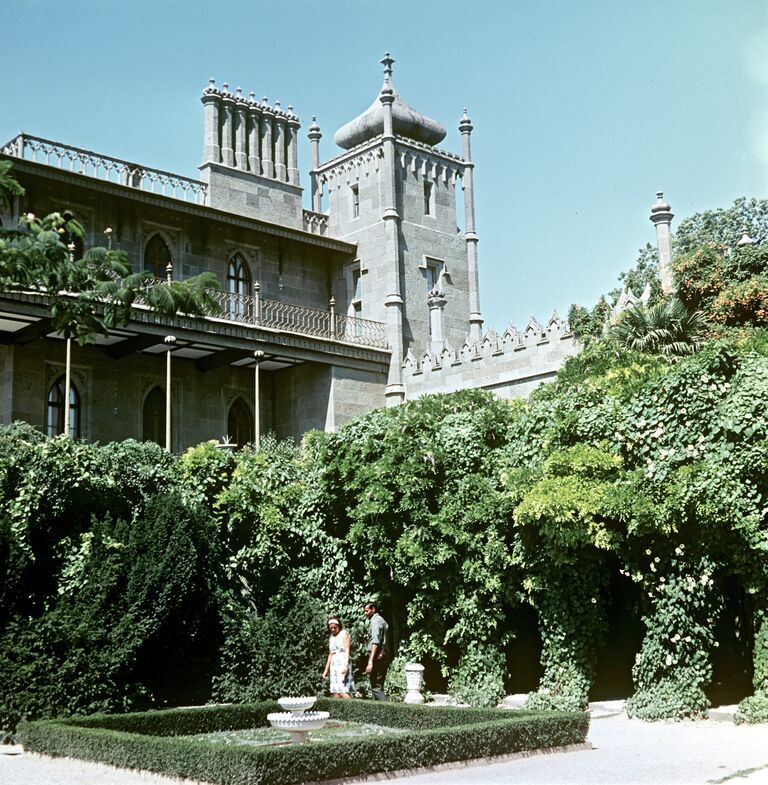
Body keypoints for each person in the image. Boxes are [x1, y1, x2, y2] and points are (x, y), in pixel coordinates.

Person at [363, 601, 390, 701]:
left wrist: (370, 662)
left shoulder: (376, 621)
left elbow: (375, 642)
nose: (365, 613)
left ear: (373, 609)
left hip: (378, 657)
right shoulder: (379, 620)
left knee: (376, 687)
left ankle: (390, 710)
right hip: (381, 655)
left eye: (367, 611)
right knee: (377, 686)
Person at [322, 615, 354, 698]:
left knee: (343, 690)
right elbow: (330, 654)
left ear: (338, 626)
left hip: (343, 662)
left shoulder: (344, 634)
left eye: (335, 628)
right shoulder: (331, 637)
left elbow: (347, 650)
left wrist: (345, 665)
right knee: (335, 691)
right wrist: (326, 670)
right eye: (331, 628)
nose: (333, 630)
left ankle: (351, 709)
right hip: (334, 665)